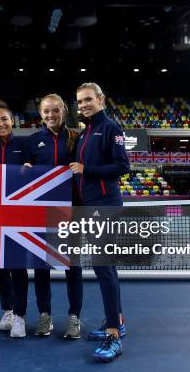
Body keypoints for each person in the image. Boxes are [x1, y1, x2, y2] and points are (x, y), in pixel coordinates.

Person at [70, 82, 130, 362]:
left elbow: (122, 167)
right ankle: (116, 321)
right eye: (80, 101)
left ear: (101, 99)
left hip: (105, 207)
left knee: (103, 268)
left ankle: (114, 336)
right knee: (109, 269)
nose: (83, 105)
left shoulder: (110, 129)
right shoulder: (86, 132)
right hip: (90, 208)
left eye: (88, 100)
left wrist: (86, 170)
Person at [21, 93, 84, 339]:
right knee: (41, 267)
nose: (50, 115)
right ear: (40, 113)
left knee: (73, 267)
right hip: (41, 214)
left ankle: (74, 317)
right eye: (46, 111)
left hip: (72, 212)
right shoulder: (33, 141)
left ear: (63, 112)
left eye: (55, 110)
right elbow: (24, 177)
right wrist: (24, 170)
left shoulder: (77, 139)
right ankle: (44, 316)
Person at [0, 101, 28, 338]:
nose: (0, 124)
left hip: (18, 215)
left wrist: (30, 169)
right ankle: (8, 311)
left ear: (12, 121)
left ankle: (20, 316)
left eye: (4, 119)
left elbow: (37, 174)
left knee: (18, 266)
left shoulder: (24, 145)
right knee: (1, 265)